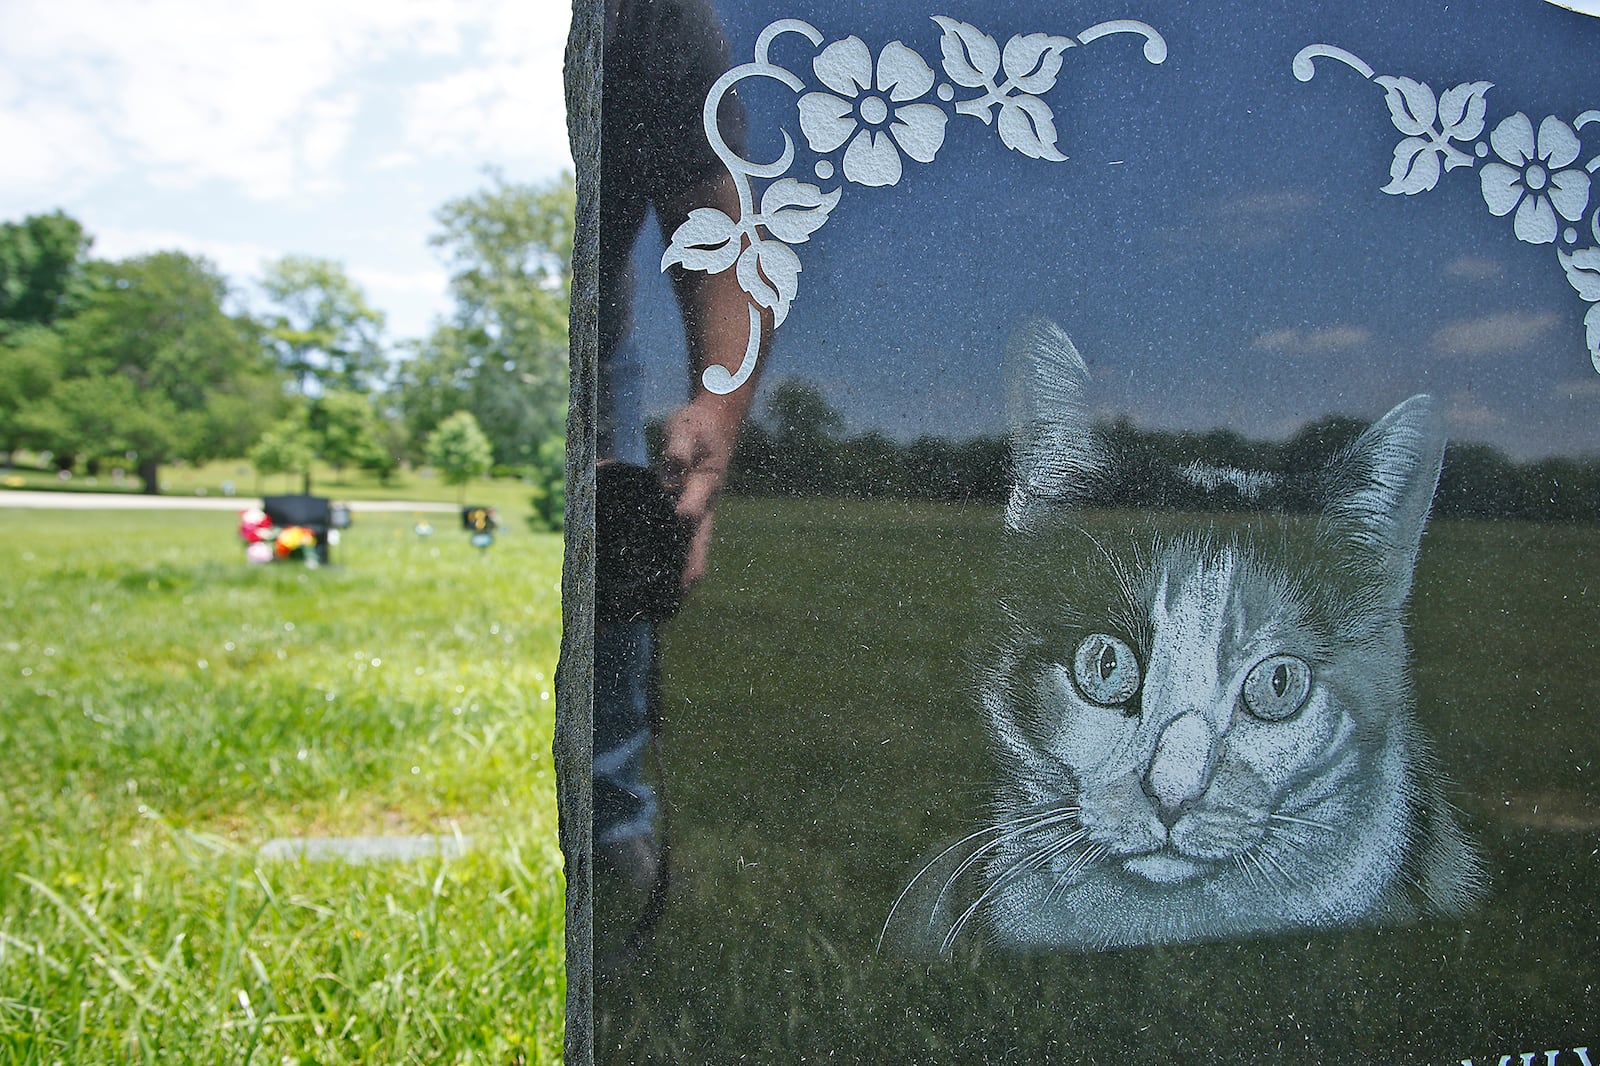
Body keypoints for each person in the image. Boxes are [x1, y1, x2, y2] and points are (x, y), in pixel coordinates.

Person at [594, 0, 769, 902]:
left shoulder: (661, 19)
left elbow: (713, 213)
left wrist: (715, 421)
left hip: (590, 344)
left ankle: (610, 835)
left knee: (610, 598)